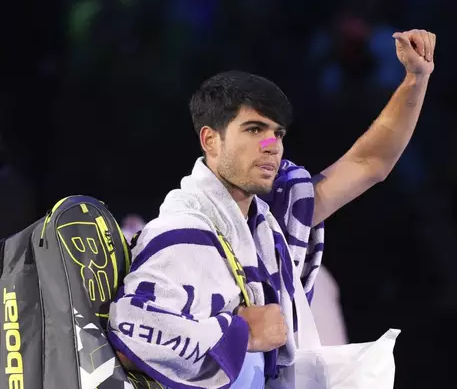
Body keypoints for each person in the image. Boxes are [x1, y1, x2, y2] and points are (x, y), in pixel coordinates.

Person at [108, 29, 436, 388]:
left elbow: (370, 163)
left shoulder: (269, 222)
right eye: (254, 129)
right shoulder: (184, 233)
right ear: (210, 140)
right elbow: (127, 335)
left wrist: (415, 79)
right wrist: (241, 333)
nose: (271, 145)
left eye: (278, 133)